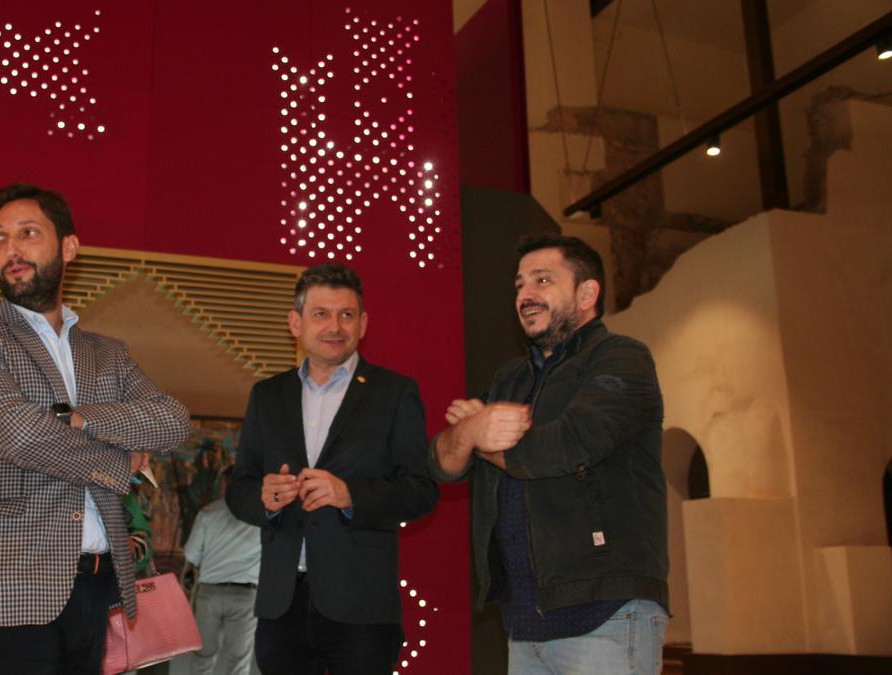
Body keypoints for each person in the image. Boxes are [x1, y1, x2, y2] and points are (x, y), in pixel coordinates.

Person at [0, 183, 191, 674]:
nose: (11, 250)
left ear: (69, 247)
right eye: (0, 238)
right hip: (3, 586)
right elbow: (16, 433)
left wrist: (81, 417)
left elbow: (172, 420)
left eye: (28, 234)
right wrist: (119, 457)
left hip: (95, 590)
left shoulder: (108, 354)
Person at [431, 234, 668, 675]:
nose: (525, 295)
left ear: (586, 293)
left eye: (542, 280)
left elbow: (568, 445)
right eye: (519, 285)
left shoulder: (622, 359)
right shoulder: (510, 379)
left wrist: (479, 436)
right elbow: (442, 465)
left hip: (606, 614)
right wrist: (468, 431)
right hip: (524, 623)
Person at [225, 263, 438, 675]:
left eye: (347, 314)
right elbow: (239, 489)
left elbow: (420, 490)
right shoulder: (267, 395)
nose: (335, 326)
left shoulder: (395, 393)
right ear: (295, 322)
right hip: (280, 604)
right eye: (321, 314)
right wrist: (263, 499)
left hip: (363, 608)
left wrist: (351, 495)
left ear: (363, 323)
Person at [184, 465, 261, 675]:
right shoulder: (261, 516)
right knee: (239, 661)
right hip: (246, 595)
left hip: (210, 593)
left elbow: (191, 555)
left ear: (225, 484)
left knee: (203, 657)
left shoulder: (207, 513)